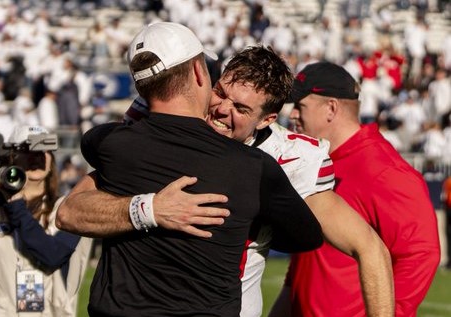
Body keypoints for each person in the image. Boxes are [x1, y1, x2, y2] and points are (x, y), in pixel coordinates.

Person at [57, 45, 394, 316]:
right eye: (221, 93)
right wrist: (150, 208)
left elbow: (369, 248)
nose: (220, 110)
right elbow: (72, 209)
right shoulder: (171, 124)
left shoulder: (290, 159)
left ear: (268, 119)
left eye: (241, 108)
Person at [269, 61, 440, 317]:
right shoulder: (316, 160)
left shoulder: (383, 169)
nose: (292, 114)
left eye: (300, 105)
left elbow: (421, 252)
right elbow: (307, 264)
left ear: (331, 108)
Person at [0, 126, 92, 317]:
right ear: (11, 157)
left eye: (45, 150)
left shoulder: (69, 209)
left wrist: (16, 205)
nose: (37, 156)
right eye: (27, 149)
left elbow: (52, 254)